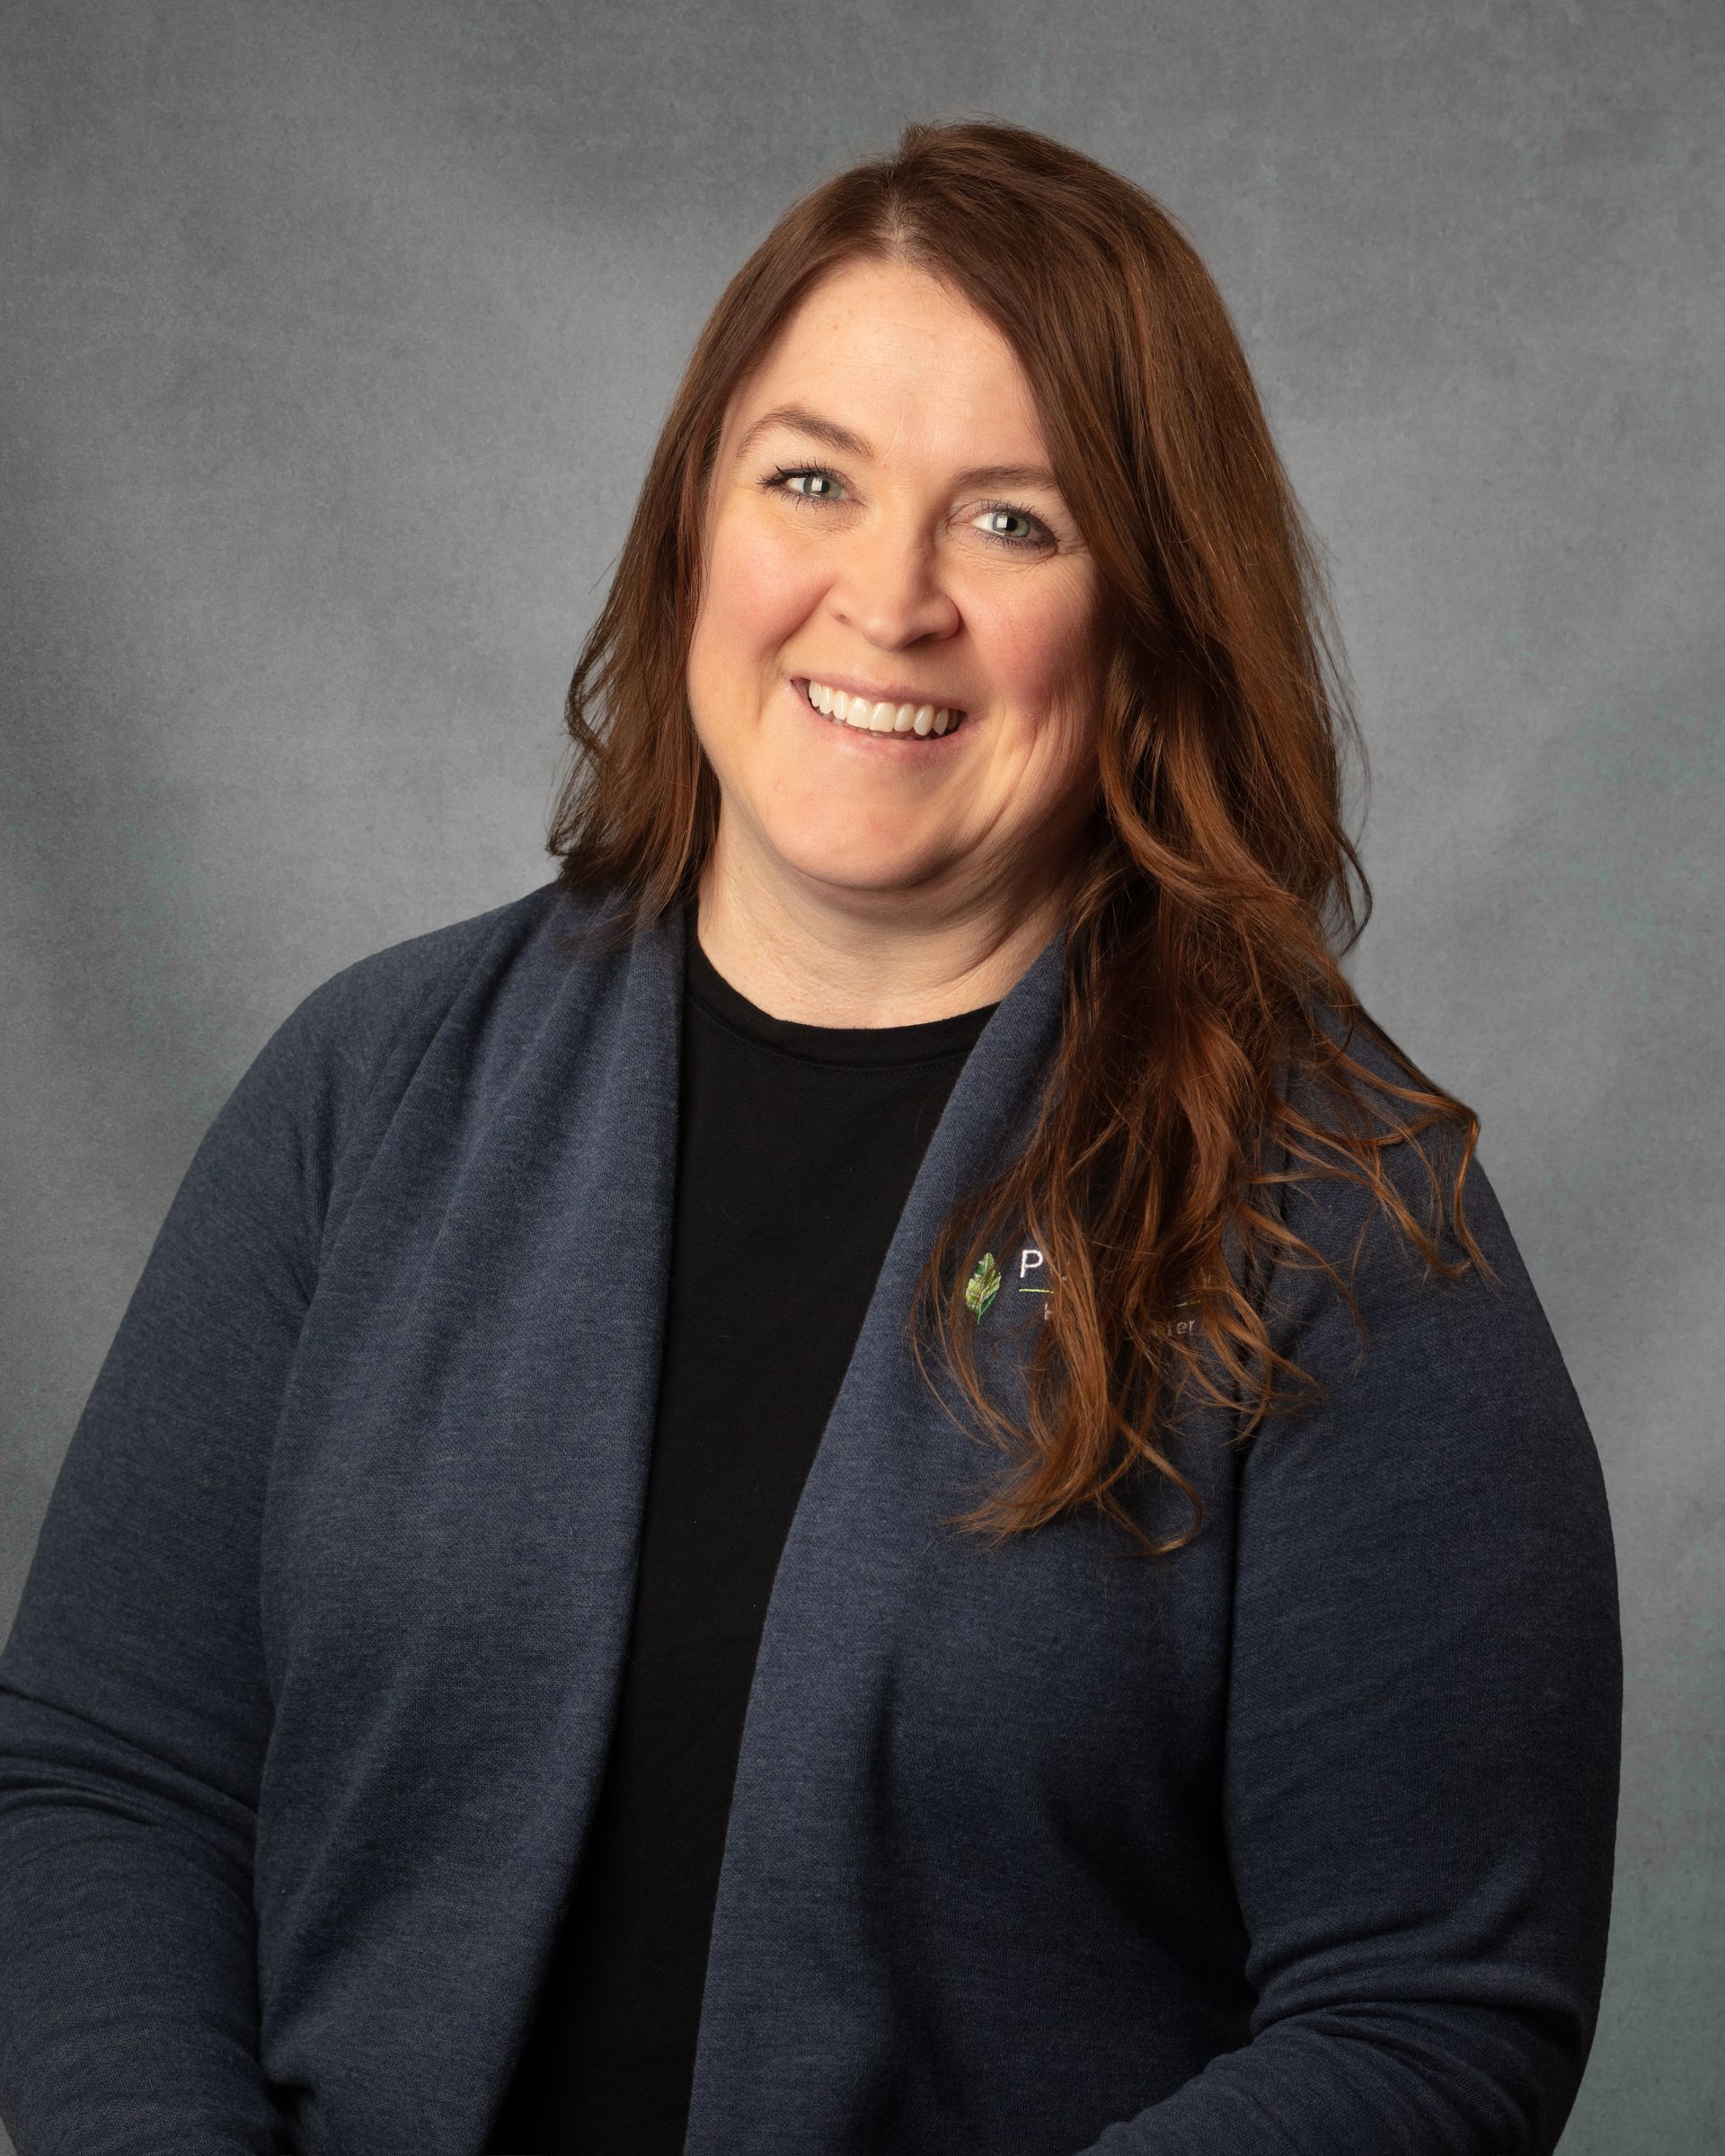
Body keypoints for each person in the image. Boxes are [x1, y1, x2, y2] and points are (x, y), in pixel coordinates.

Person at [0, 119, 1621, 2156]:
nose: (890, 597)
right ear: (698, 522)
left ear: (1148, 618)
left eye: (1015, 524)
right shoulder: (368, 1092)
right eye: (812, 480)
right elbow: (113, 1781)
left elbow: (1427, 2023)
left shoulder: (1338, 1225)